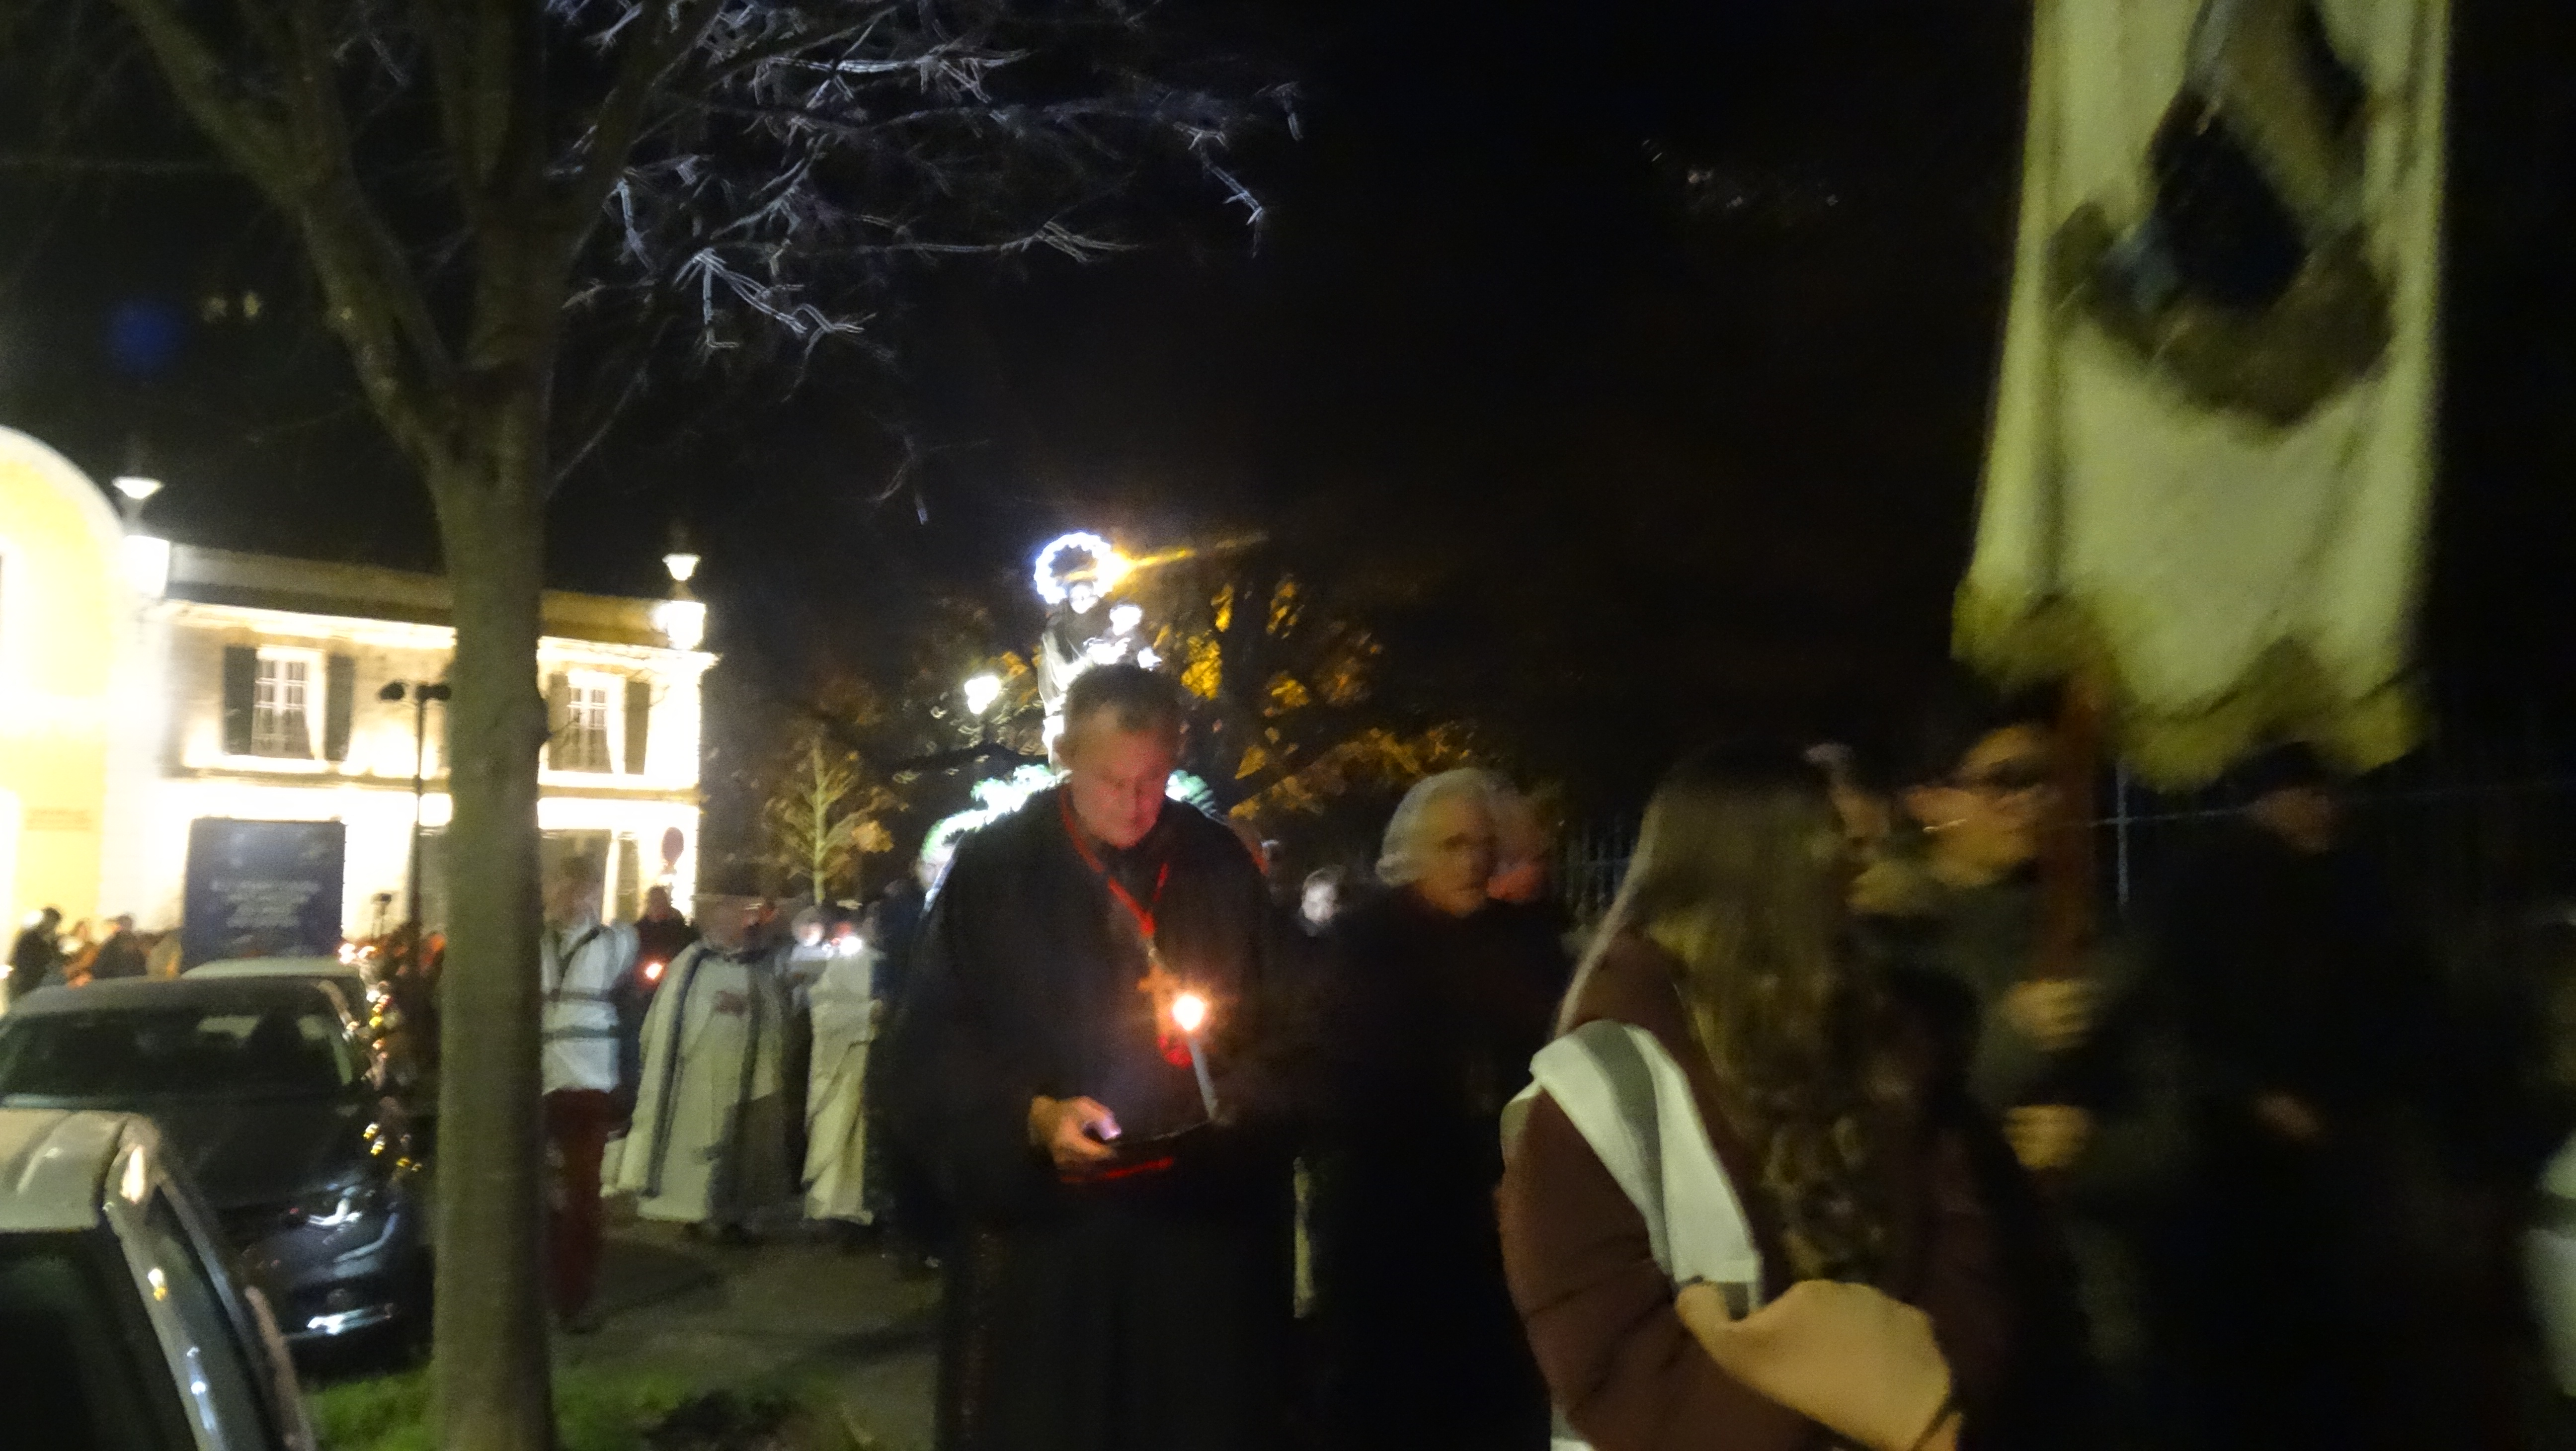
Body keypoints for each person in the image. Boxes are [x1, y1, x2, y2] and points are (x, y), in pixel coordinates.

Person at [1500, 743, 2075, 1451]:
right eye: (1838, 858)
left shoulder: (1883, 1044)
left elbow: (1961, 1241)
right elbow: (1610, 1356)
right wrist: (1836, 1411)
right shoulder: (1599, 1088)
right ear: (1766, 881)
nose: (1864, 880)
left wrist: (1925, 1388)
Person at [880, 663, 1297, 1451]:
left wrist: (1227, 1066)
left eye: (1154, 780)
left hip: (1192, 1237)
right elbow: (933, 1044)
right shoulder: (997, 870)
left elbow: (1286, 1026)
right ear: (1065, 754)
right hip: (1050, 1243)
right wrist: (1030, 1118)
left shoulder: (1216, 864)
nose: (1136, 804)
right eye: (1112, 780)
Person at [2149, 746, 2457, 1451]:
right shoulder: (2210, 886)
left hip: (2347, 1144)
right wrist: (2251, 1094)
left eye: (2330, 791)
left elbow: (2405, 1003)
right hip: (2238, 1160)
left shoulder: (2361, 883)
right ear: (2265, 800)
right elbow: (2183, 1013)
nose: (2325, 808)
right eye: (2305, 792)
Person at [1307, 770, 1562, 1451]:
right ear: (1415, 852)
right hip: (1395, 1214)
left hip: (1493, 1214)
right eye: (1453, 845)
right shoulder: (1365, 948)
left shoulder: (1517, 944)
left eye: (1482, 845)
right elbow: (1351, 1077)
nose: (1472, 861)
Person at [613, 901, 794, 1240]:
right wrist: (710, 1010)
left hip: (742, 1071)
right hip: (694, 1071)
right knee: (692, 1140)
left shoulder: (758, 965)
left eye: (735, 921)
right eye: (722, 921)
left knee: (739, 1142)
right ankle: (691, 1211)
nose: (729, 927)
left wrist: (749, 1007)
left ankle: (733, 1218)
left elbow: (776, 1012)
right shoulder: (691, 961)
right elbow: (670, 1014)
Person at [538, 861, 640, 1334]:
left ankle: (574, 1299)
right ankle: (548, 1288)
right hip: (540, 1083)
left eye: (582, 890)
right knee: (536, 1196)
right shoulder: (534, 941)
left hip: (590, 1086)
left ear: (595, 894)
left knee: (582, 1197)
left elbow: (629, 1011)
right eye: (565, 888)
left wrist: (625, 1088)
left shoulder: (614, 943)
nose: (572, 899)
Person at [804, 912, 881, 1236]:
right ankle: (840, 1210)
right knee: (845, 1137)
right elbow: (824, 1011)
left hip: (886, 1066)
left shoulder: (909, 962)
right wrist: (869, 1013)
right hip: (849, 1065)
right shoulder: (849, 962)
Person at [7, 908, 62, 1007]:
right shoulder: (31, 938)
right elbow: (37, 964)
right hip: (27, 985)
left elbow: (55, 959)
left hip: (30, 984)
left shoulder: (47, 939)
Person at [86, 916, 147, 982]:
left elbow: (99, 969)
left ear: (118, 927)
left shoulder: (111, 945)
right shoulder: (141, 943)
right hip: (139, 983)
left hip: (113, 983)